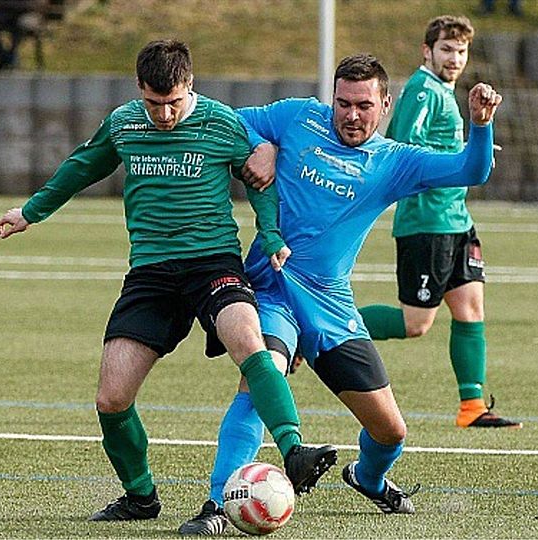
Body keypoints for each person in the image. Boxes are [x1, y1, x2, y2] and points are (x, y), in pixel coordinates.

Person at [0, 39, 337, 523]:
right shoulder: (124, 123)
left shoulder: (221, 123)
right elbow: (80, 167)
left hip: (212, 263)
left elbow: (259, 179)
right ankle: (140, 498)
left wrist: (271, 231)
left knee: (248, 339)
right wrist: (31, 211)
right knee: (111, 398)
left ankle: (294, 448)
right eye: (154, 104)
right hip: (151, 274)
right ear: (139, 90)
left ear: (190, 85)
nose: (164, 115)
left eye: (173, 102)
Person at [178, 53, 502, 534]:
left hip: (330, 305)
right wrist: (258, 146)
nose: (351, 114)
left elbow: (471, 170)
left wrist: (480, 124)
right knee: (259, 376)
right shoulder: (296, 116)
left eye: (364, 105)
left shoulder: (396, 162)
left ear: (385, 104)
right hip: (271, 289)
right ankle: (216, 505)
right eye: (343, 103)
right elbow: (225, 122)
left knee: (390, 432)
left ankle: (368, 477)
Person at [357, 15, 520, 431]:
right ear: (426, 51)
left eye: (461, 51)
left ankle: (472, 406)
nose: (454, 58)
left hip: (456, 220)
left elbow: (440, 148)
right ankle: (321, 330)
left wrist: (467, 150)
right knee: (416, 324)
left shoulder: (445, 92)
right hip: (426, 222)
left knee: (470, 307)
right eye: (446, 49)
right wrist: (458, 154)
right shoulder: (421, 90)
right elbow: (406, 150)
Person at [0, 0, 42, 70]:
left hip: (25, 13)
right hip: (2, 12)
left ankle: (9, 57)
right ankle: (5, 57)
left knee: (23, 24)